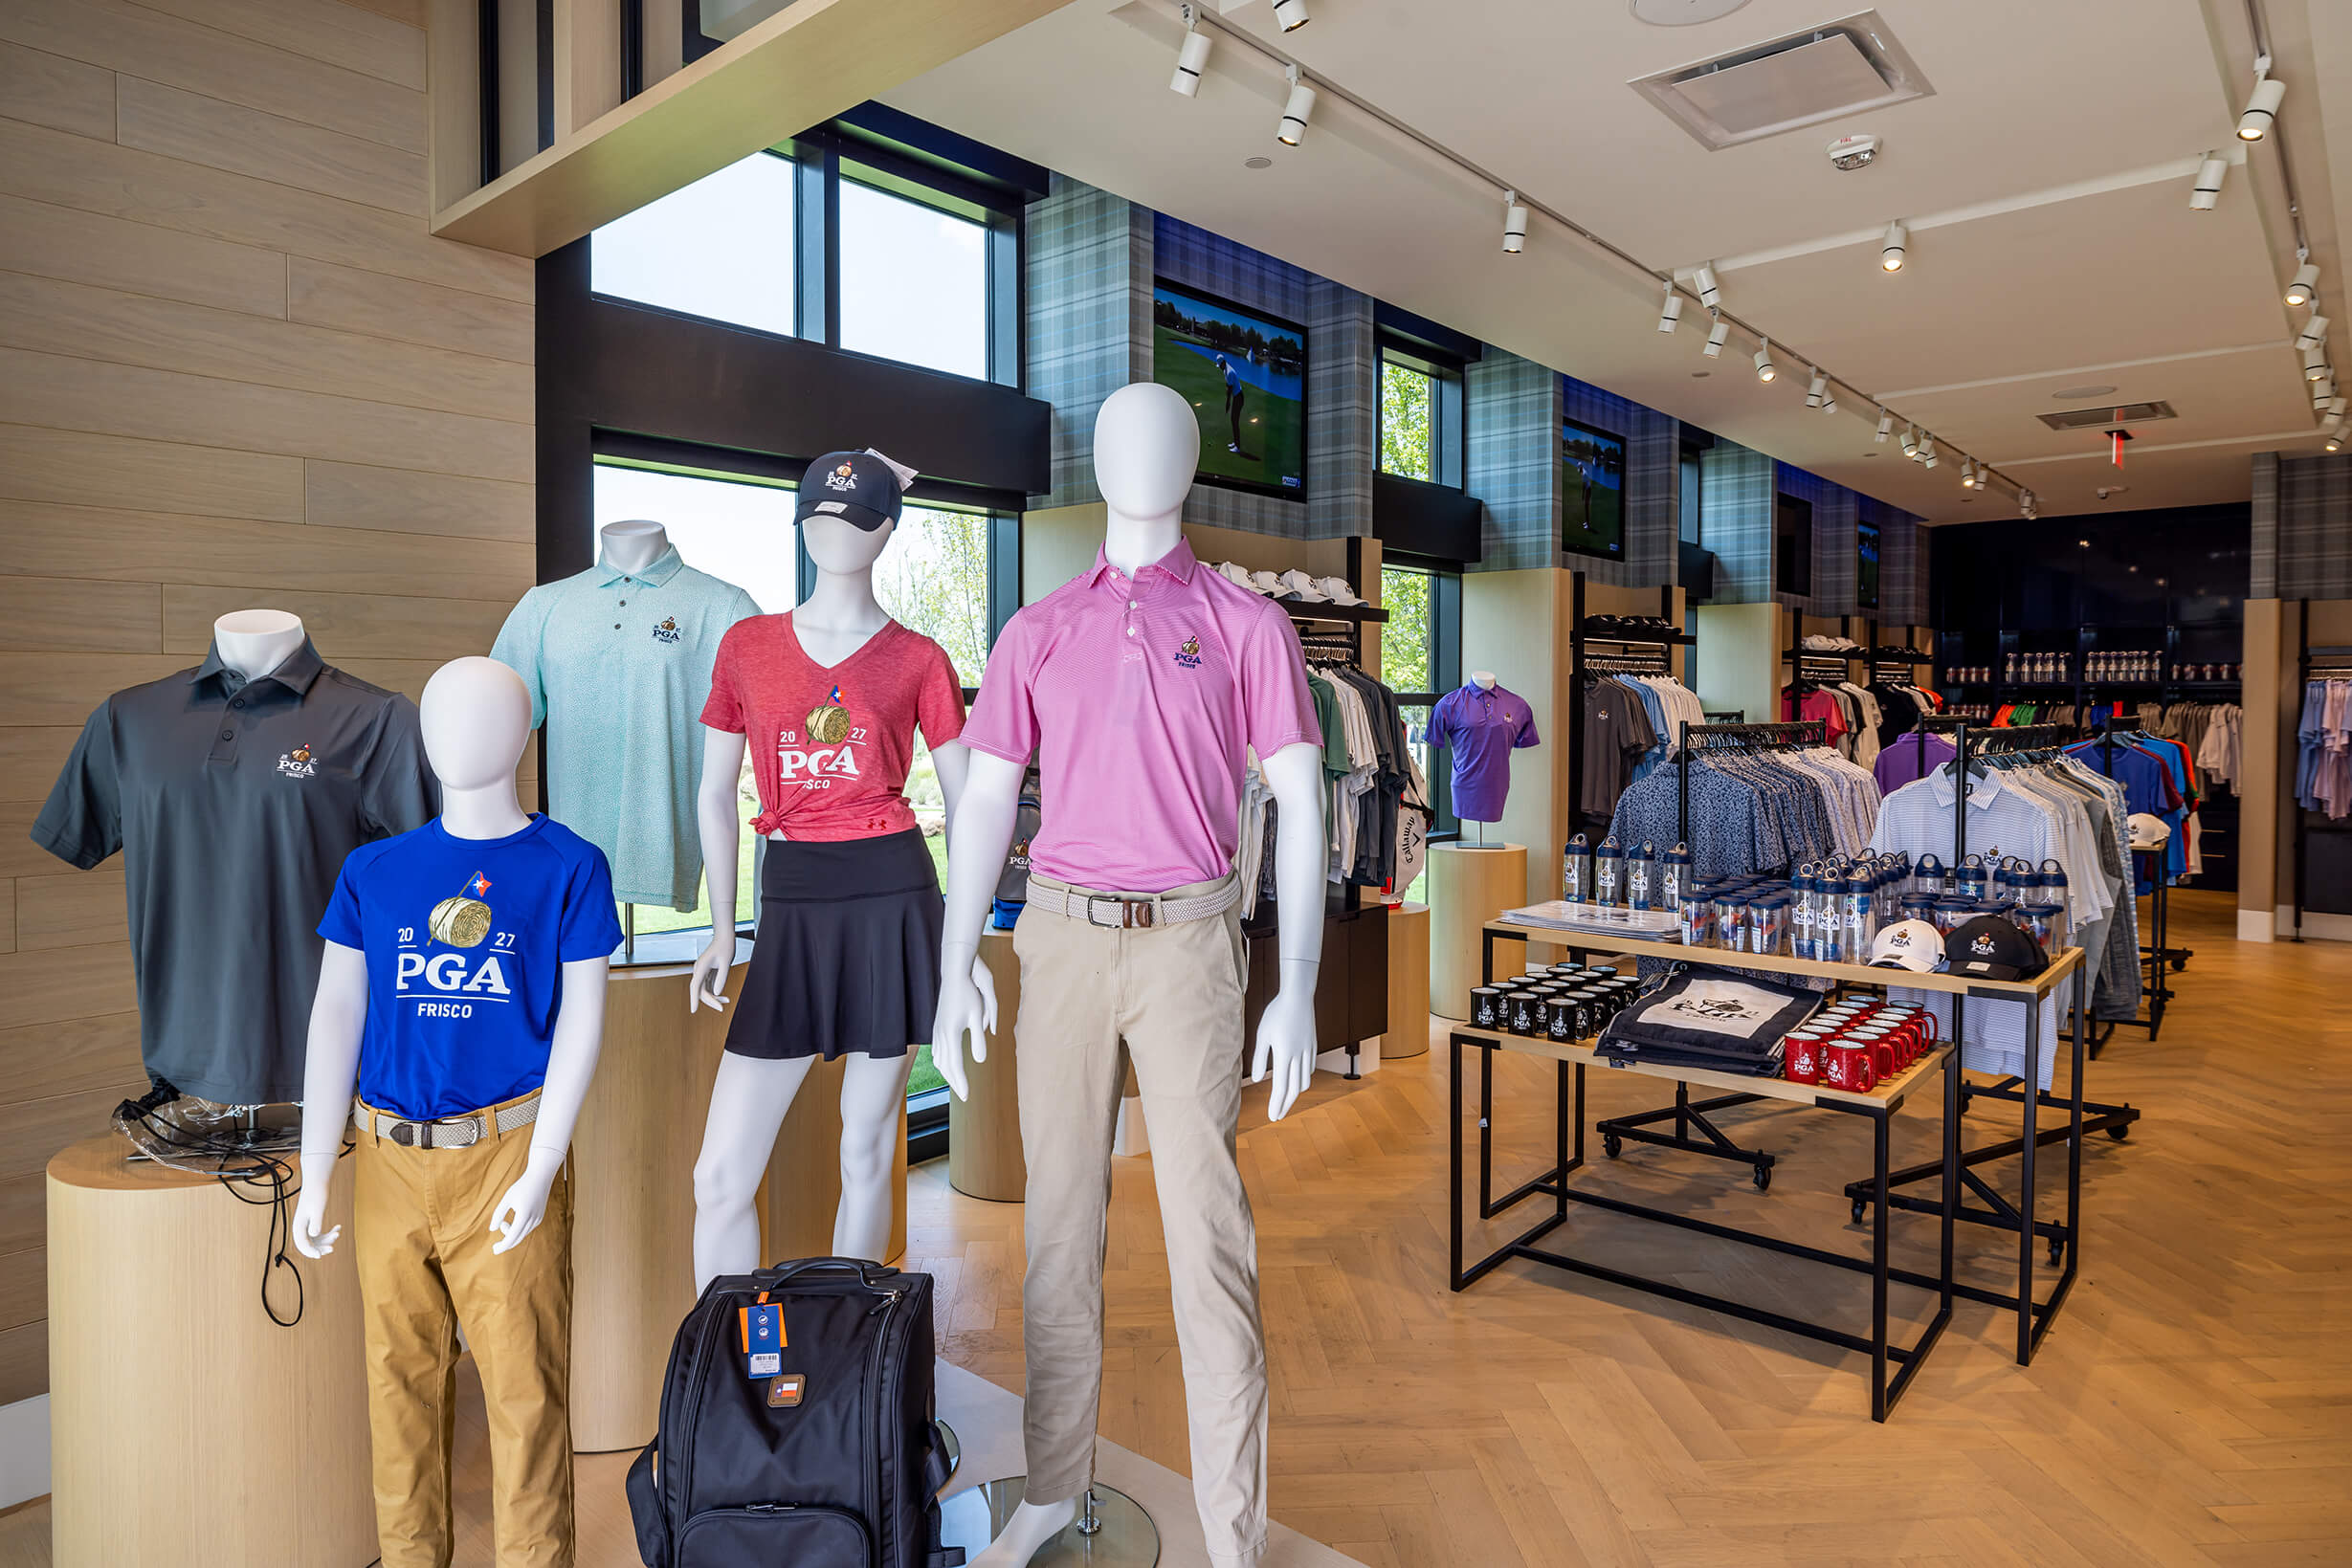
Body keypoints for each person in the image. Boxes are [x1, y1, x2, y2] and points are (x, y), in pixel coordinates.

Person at [1217, 351, 1246, 454]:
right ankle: (1235, 443)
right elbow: (1228, 386)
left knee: (1234, 421)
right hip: (1236, 397)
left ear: (1223, 363)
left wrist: (1227, 404)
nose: (1220, 368)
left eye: (1220, 365)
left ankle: (1237, 447)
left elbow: (1229, 391)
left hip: (1238, 398)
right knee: (1233, 420)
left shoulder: (1229, 372)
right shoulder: (1225, 369)